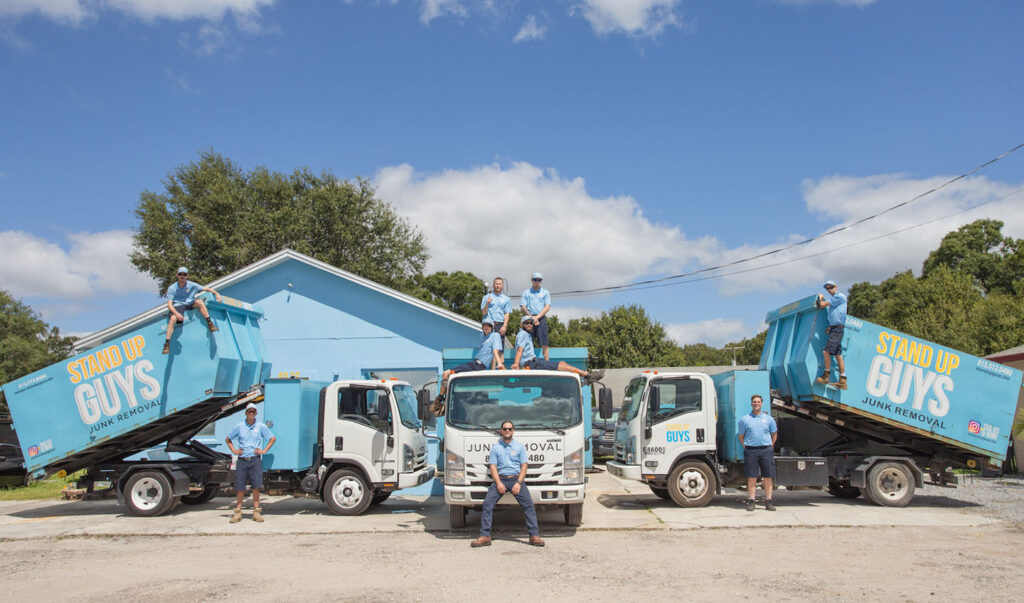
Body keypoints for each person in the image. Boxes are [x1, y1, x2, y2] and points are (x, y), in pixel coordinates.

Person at [471, 420, 545, 547]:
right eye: (505, 429)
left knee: (529, 506)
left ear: (513, 431)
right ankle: (485, 536)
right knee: (487, 504)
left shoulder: (519, 447)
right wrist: (498, 483)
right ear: (501, 431)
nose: (507, 431)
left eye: (509, 429)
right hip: (501, 480)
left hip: (516, 480)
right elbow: (493, 466)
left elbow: (524, 465)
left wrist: (519, 483)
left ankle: (534, 536)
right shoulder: (496, 447)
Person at [432, 319, 504, 415]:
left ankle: (440, 403)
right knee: (446, 376)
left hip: (478, 366)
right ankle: (441, 401)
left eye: (488, 326)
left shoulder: (495, 336)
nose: (486, 327)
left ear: (492, 327)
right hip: (473, 363)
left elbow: (495, 351)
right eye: (484, 326)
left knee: (446, 374)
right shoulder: (483, 336)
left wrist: (499, 364)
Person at [511, 316, 604, 384]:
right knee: (561, 365)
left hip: (533, 363)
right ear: (521, 324)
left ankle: (583, 378)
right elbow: (520, 350)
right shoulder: (523, 334)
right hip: (532, 364)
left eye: (531, 323)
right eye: (526, 323)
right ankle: (587, 375)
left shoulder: (525, 335)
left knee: (562, 364)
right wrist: (516, 364)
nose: (529, 325)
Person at [225, 402, 276, 523]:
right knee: (240, 486)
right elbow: (228, 439)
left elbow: (272, 438)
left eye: (253, 411)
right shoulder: (239, 426)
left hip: (255, 460)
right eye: (249, 412)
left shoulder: (261, 426)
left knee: (256, 486)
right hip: (242, 460)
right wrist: (234, 450)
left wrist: (263, 450)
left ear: (256, 413)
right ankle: (237, 512)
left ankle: (256, 512)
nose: (251, 414)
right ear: (246, 413)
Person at [163, 267, 223, 354]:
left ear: (187, 276)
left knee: (199, 301)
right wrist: (177, 314)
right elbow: (169, 304)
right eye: (180, 274)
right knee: (172, 319)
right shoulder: (172, 288)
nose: (182, 276)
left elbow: (206, 289)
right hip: (178, 306)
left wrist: (217, 294)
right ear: (177, 275)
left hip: (189, 303)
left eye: (184, 274)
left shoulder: (192, 285)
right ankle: (167, 344)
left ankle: (210, 323)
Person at [737, 394, 777, 512]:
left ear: (761, 404)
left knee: (768, 477)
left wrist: (770, 446)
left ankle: (768, 501)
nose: (756, 404)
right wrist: (746, 446)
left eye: (758, 402)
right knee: (752, 477)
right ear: (751, 404)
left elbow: (774, 433)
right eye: (754, 402)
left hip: (766, 450)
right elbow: (741, 436)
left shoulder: (768, 419)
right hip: (751, 451)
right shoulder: (744, 419)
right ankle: (751, 501)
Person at [815, 280, 848, 390]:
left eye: (831, 287)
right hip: (836, 328)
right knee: (838, 355)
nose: (829, 290)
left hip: (837, 330)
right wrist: (831, 326)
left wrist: (820, 297)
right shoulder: (835, 299)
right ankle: (843, 380)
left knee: (826, 352)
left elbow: (822, 305)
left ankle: (826, 376)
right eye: (827, 289)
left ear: (836, 287)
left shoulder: (839, 296)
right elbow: (836, 314)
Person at [520, 272, 551, 361]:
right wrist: (531, 317)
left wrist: (537, 317)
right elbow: (523, 307)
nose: (537, 281)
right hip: (528, 319)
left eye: (539, 280)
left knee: (544, 342)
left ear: (541, 281)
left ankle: (547, 363)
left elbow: (547, 306)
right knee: (527, 341)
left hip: (541, 319)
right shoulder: (526, 293)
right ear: (531, 280)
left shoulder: (546, 292)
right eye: (535, 279)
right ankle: (527, 363)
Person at [481, 277, 512, 345]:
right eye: (496, 284)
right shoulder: (486, 297)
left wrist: (504, 326)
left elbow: (507, 313)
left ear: (502, 285)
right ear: (493, 285)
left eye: (499, 284)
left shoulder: (507, 299)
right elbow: (483, 313)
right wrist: (487, 304)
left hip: (500, 325)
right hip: (488, 324)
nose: (498, 285)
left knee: (499, 350)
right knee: (487, 348)